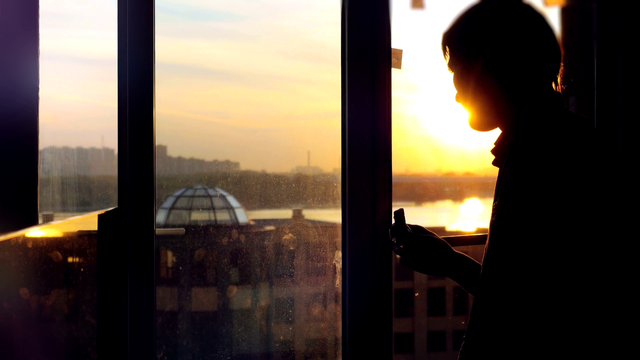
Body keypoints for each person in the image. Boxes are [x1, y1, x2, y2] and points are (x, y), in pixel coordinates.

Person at [390, 1, 624, 359]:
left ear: (500, 69)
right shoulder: (549, 146)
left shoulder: (549, 157)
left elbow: (532, 314)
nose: (455, 93)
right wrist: (449, 260)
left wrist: (449, 262)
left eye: (460, 72)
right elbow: (522, 296)